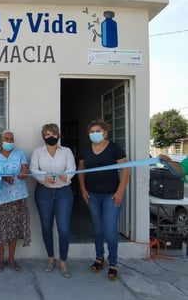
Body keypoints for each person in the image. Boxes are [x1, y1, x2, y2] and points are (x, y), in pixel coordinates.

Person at [77, 120, 130, 281]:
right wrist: (83, 190)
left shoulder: (114, 148)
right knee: (98, 229)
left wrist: (120, 191)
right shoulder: (86, 150)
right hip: (93, 195)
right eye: (92, 131)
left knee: (110, 230)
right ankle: (99, 258)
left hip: (111, 196)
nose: (94, 133)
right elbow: (81, 170)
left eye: (98, 130)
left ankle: (113, 263)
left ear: (105, 132)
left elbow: (126, 169)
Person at [30, 123, 76, 278]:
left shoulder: (66, 151)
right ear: (44, 136)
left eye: (54, 134)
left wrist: (67, 176)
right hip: (44, 192)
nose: (51, 136)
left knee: (63, 228)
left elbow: (72, 168)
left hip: (64, 192)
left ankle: (63, 261)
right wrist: (44, 177)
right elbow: (33, 169)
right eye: (48, 134)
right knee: (46, 226)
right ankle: (51, 258)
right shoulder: (38, 152)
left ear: (58, 135)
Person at [0, 130, 31, 273]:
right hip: (1, 197)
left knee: (14, 229)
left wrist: (23, 173)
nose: (9, 141)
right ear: (0, 141)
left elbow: (25, 168)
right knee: (1, 229)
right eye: (6, 139)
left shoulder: (19, 154)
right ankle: (0, 259)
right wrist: (4, 178)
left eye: (11, 139)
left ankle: (12, 259)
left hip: (18, 197)